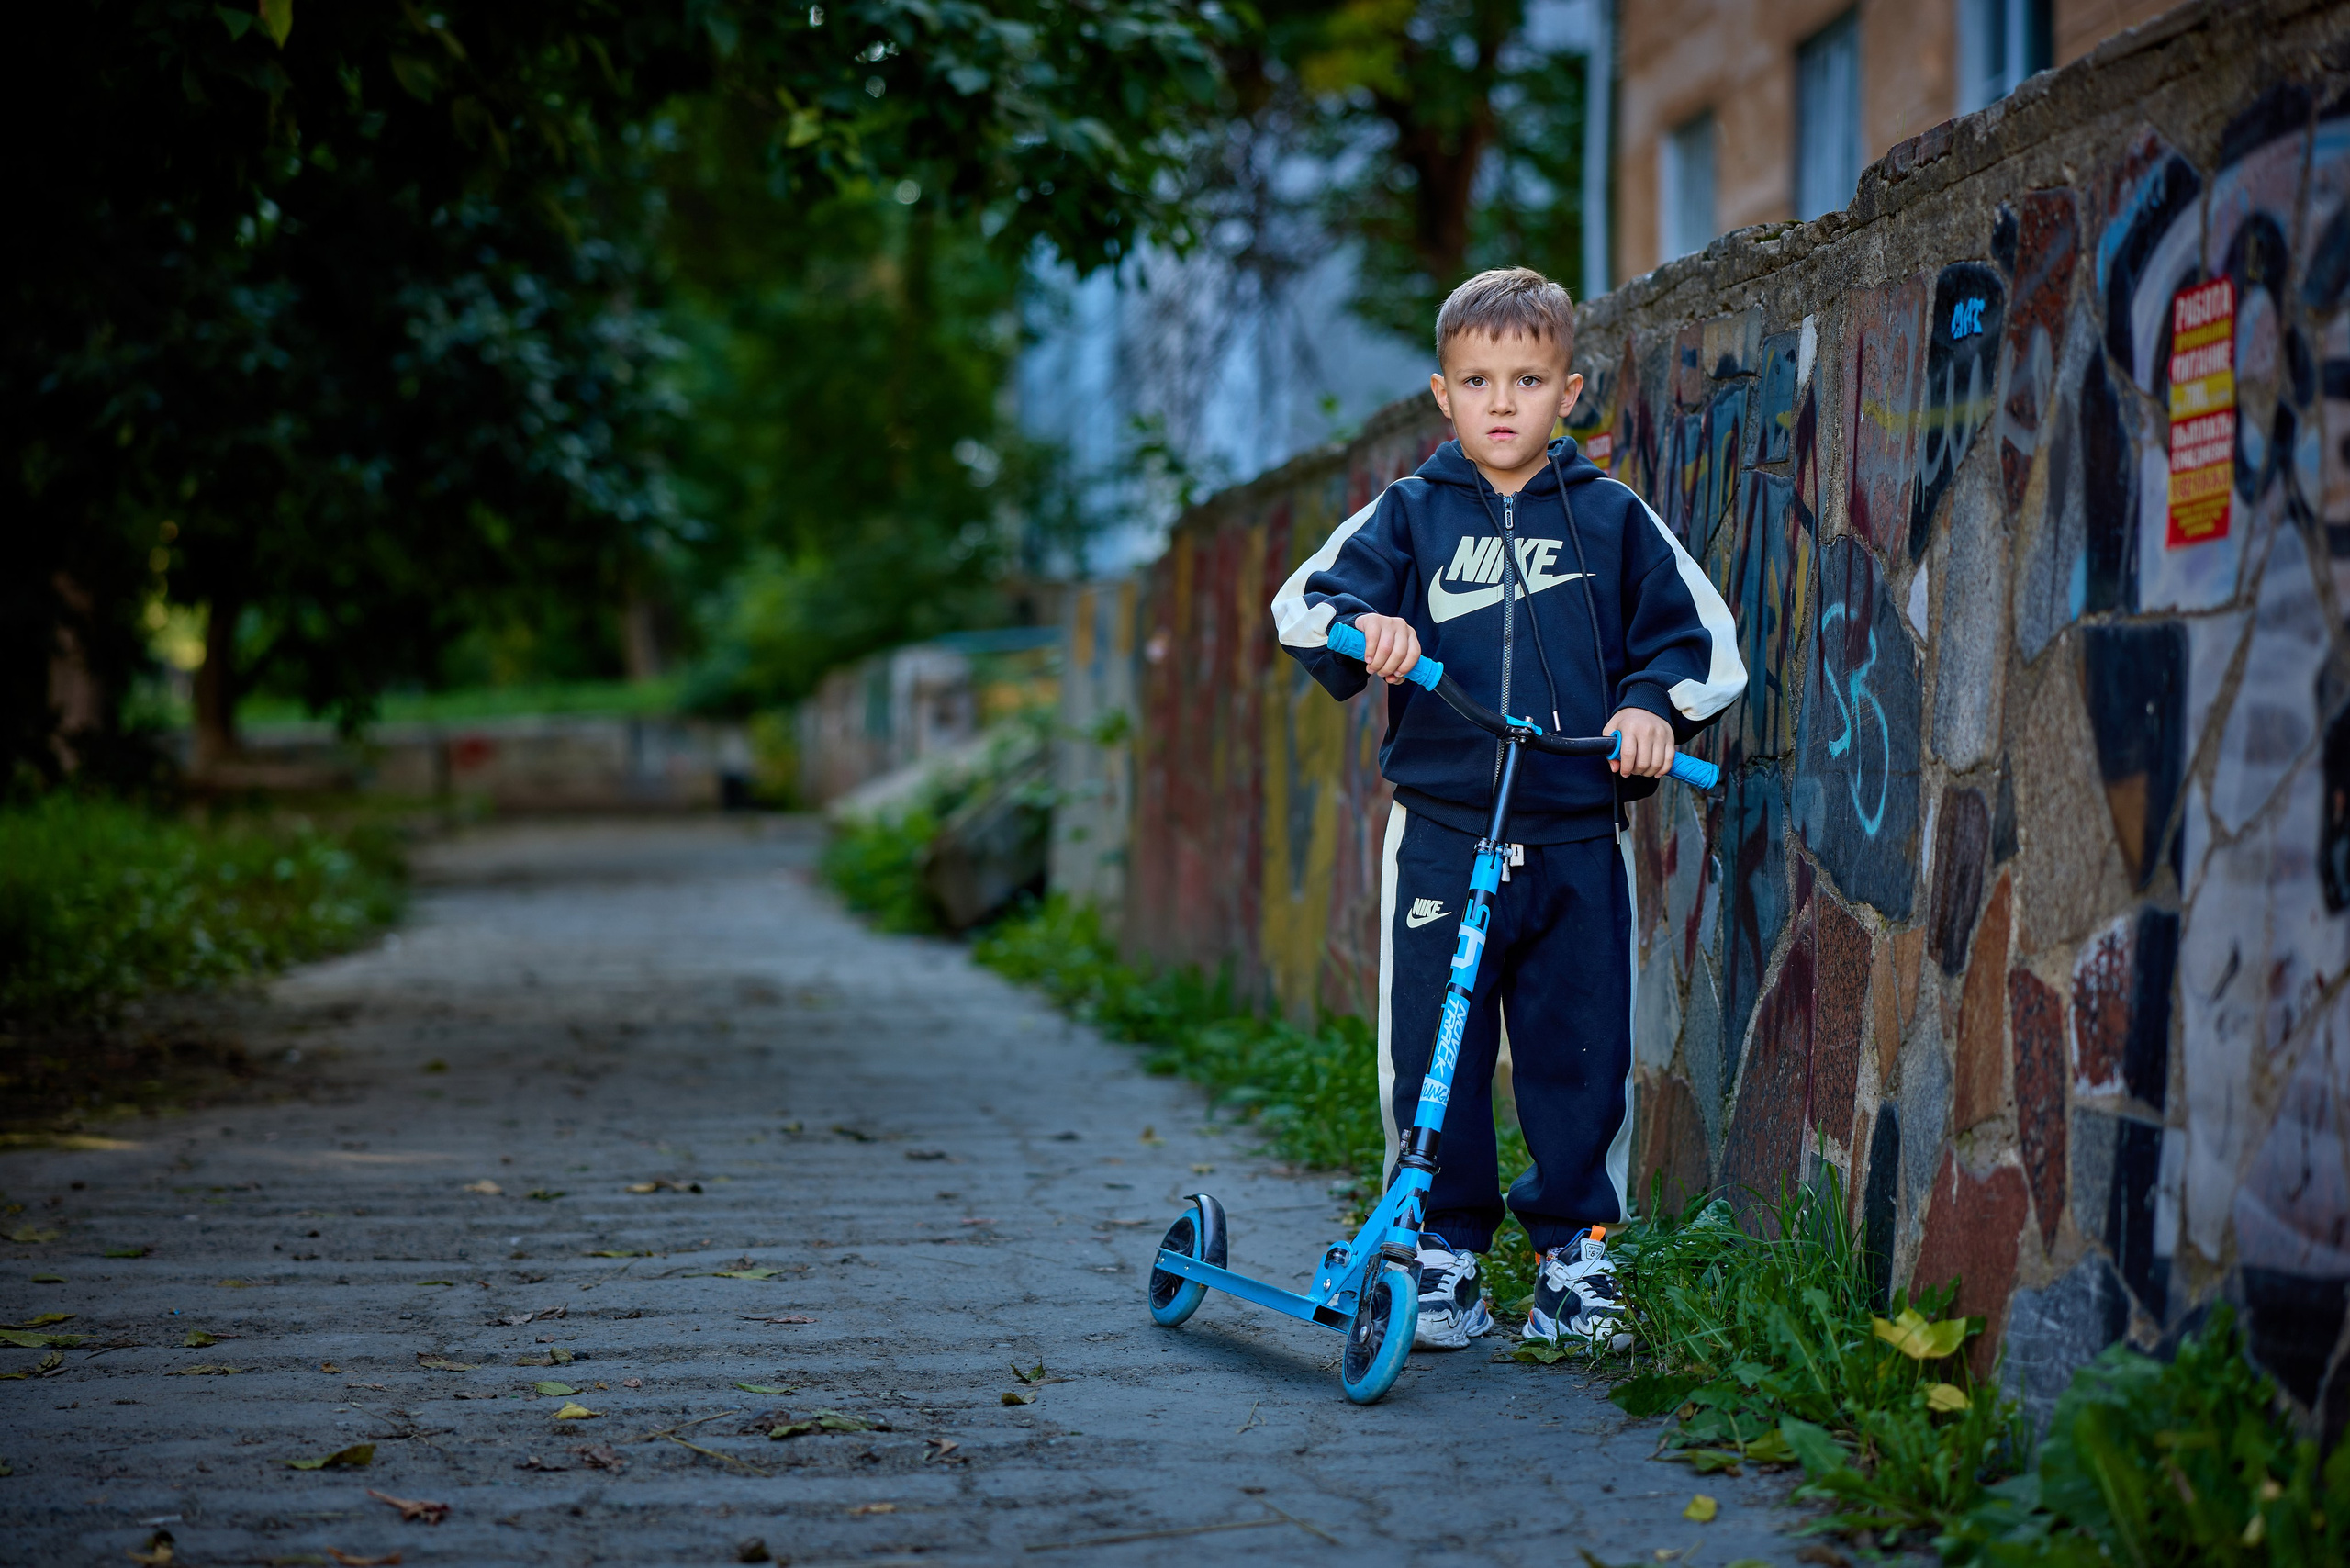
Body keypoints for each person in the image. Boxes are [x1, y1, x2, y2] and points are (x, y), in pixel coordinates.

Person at [1269, 267, 1744, 1350]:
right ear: (1442, 394)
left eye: (1526, 379)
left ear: (1566, 392)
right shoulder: (1410, 512)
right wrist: (1366, 630)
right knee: (1432, 1047)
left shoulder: (1613, 519)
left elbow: (1701, 647)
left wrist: (1649, 710)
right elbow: (1303, 604)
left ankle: (1575, 1254)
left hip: (1576, 833)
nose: (1500, 402)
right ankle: (1437, 1253)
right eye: (1477, 380)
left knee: (1581, 1050)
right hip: (1441, 832)